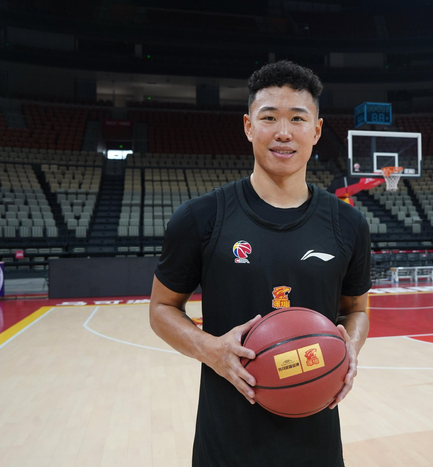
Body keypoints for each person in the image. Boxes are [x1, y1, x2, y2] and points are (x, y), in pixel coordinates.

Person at [149, 60, 371, 467]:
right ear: (249, 126)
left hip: (316, 443)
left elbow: (356, 312)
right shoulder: (201, 217)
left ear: (316, 130)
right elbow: (162, 308)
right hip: (226, 443)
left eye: (297, 119)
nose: (283, 132)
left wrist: (349, 350)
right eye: (269, 117)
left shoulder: (349, 223)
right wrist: (211, 349)